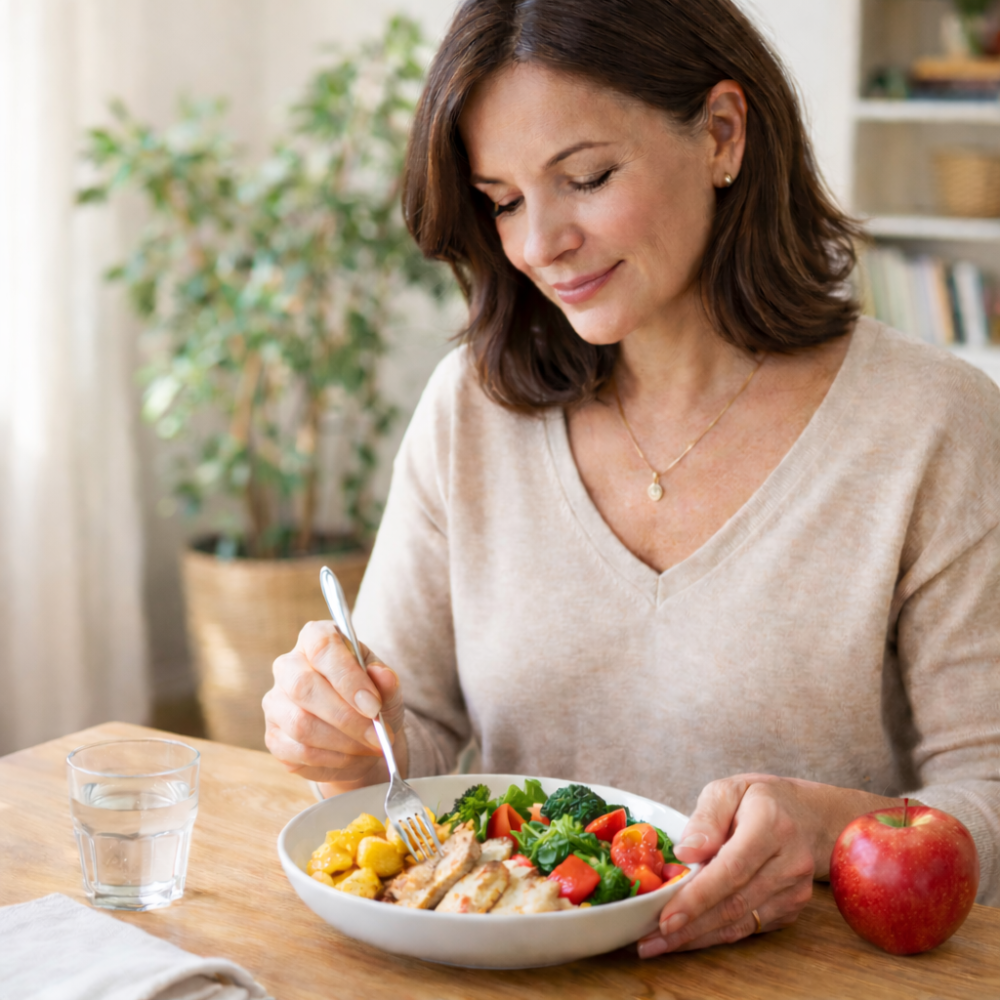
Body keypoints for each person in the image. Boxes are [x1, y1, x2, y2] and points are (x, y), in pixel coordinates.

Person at [263, 0, 1000, 955]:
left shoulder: (929, 423)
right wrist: (350, 740)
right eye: (503, 199)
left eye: (586, 177)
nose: (538, 245)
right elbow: (418, 748)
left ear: (723, 135)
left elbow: (988, 794)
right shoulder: (469, 410)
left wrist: (829, 831)